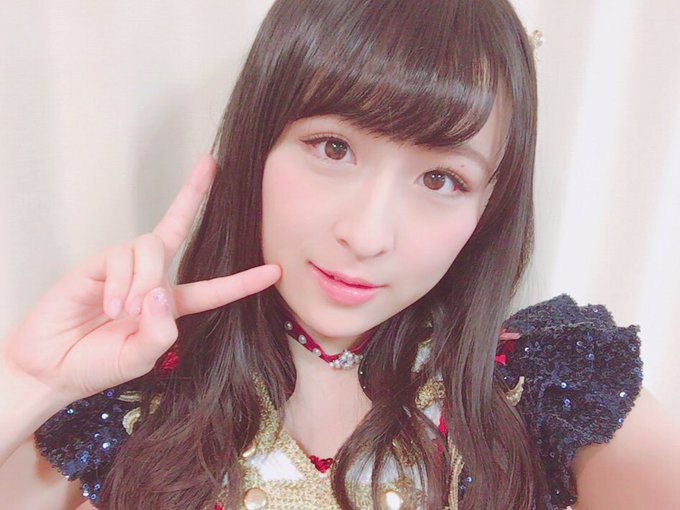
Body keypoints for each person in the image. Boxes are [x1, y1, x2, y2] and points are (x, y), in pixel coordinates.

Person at [1, 0, 679, 508]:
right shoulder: (131, 403)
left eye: (441, 179)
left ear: (489, 210)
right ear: (257, 145)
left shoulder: (545, 389)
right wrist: (30, 383)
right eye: (333, 147)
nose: (368, 233)